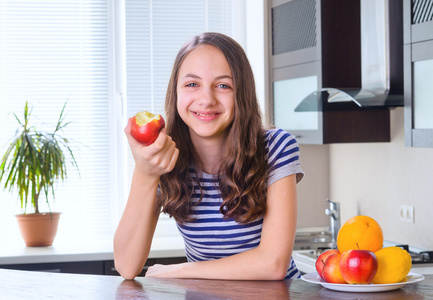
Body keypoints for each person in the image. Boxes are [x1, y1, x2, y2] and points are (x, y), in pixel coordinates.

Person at [113, 32, 304, 280]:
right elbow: (126, 266)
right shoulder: (166, 155)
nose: (206, 99)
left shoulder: (276, 148)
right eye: (192, 84)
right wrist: (145, 173)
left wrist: (179, 270)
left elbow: (273, 263)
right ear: (176, 92)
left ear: (241, 94)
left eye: (223, 85)